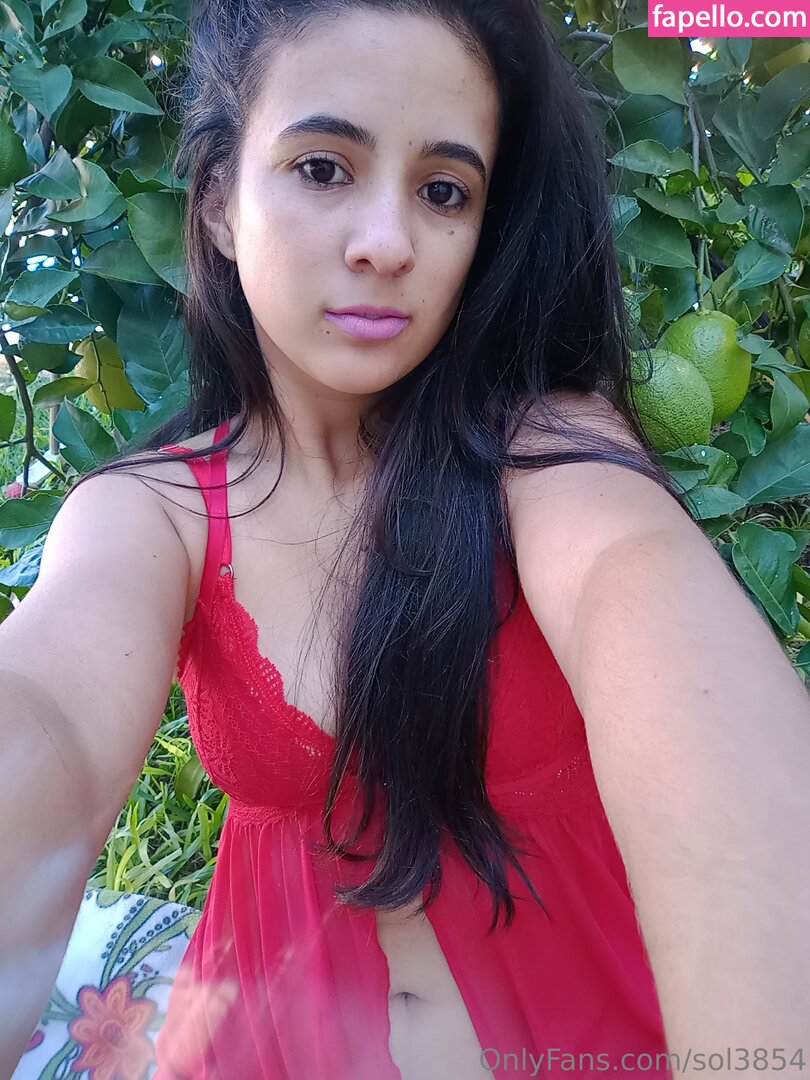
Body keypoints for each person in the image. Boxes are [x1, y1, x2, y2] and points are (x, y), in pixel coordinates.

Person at [3, 0, 810, 1077]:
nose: (387, 244)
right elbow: (51, 712)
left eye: (443, 191)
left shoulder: (544, 451)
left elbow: (649, 605)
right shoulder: (153, 513)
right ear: (220, 204)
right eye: (323, 168)